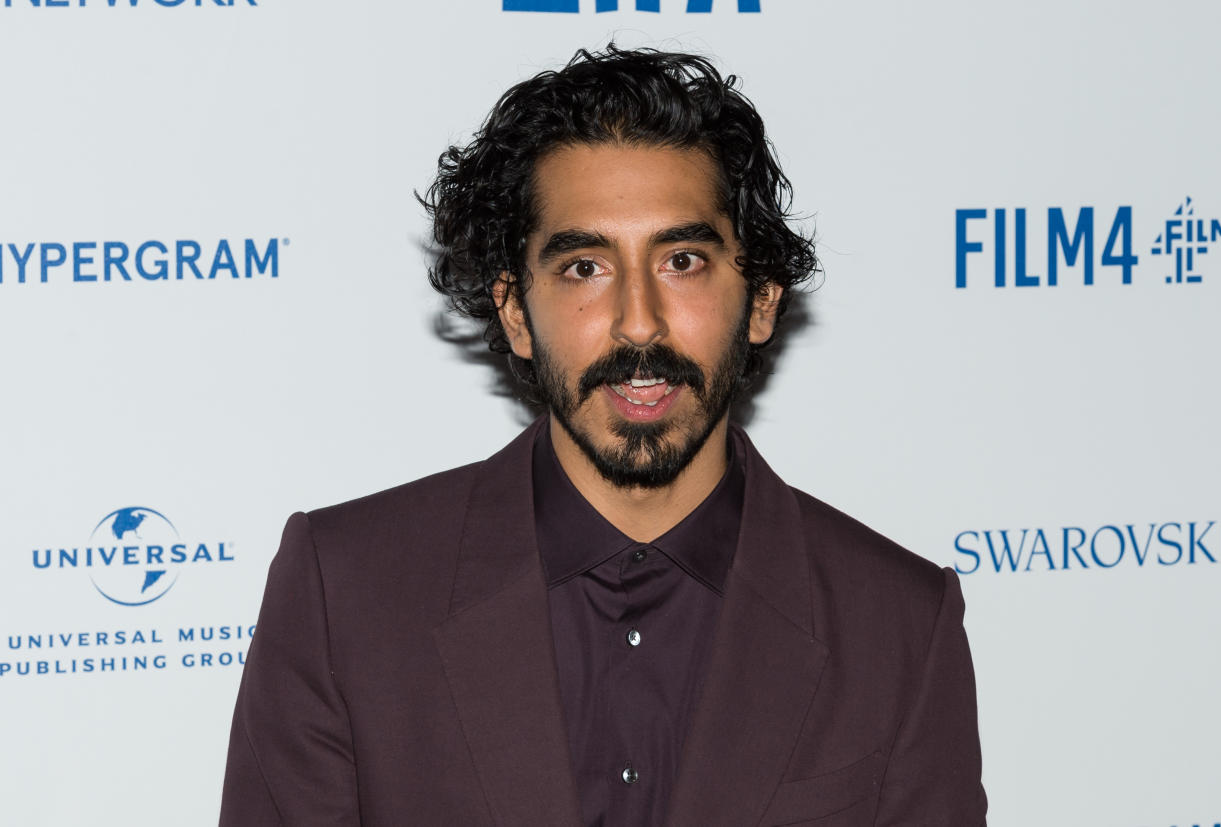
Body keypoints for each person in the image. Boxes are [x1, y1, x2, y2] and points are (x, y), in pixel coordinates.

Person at [219, 46, 987, 827]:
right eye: (584, 266)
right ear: (516, 312)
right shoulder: (344, 595)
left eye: (682, 260)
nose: (639, 320)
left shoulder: (897, 627)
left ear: (759, 299)